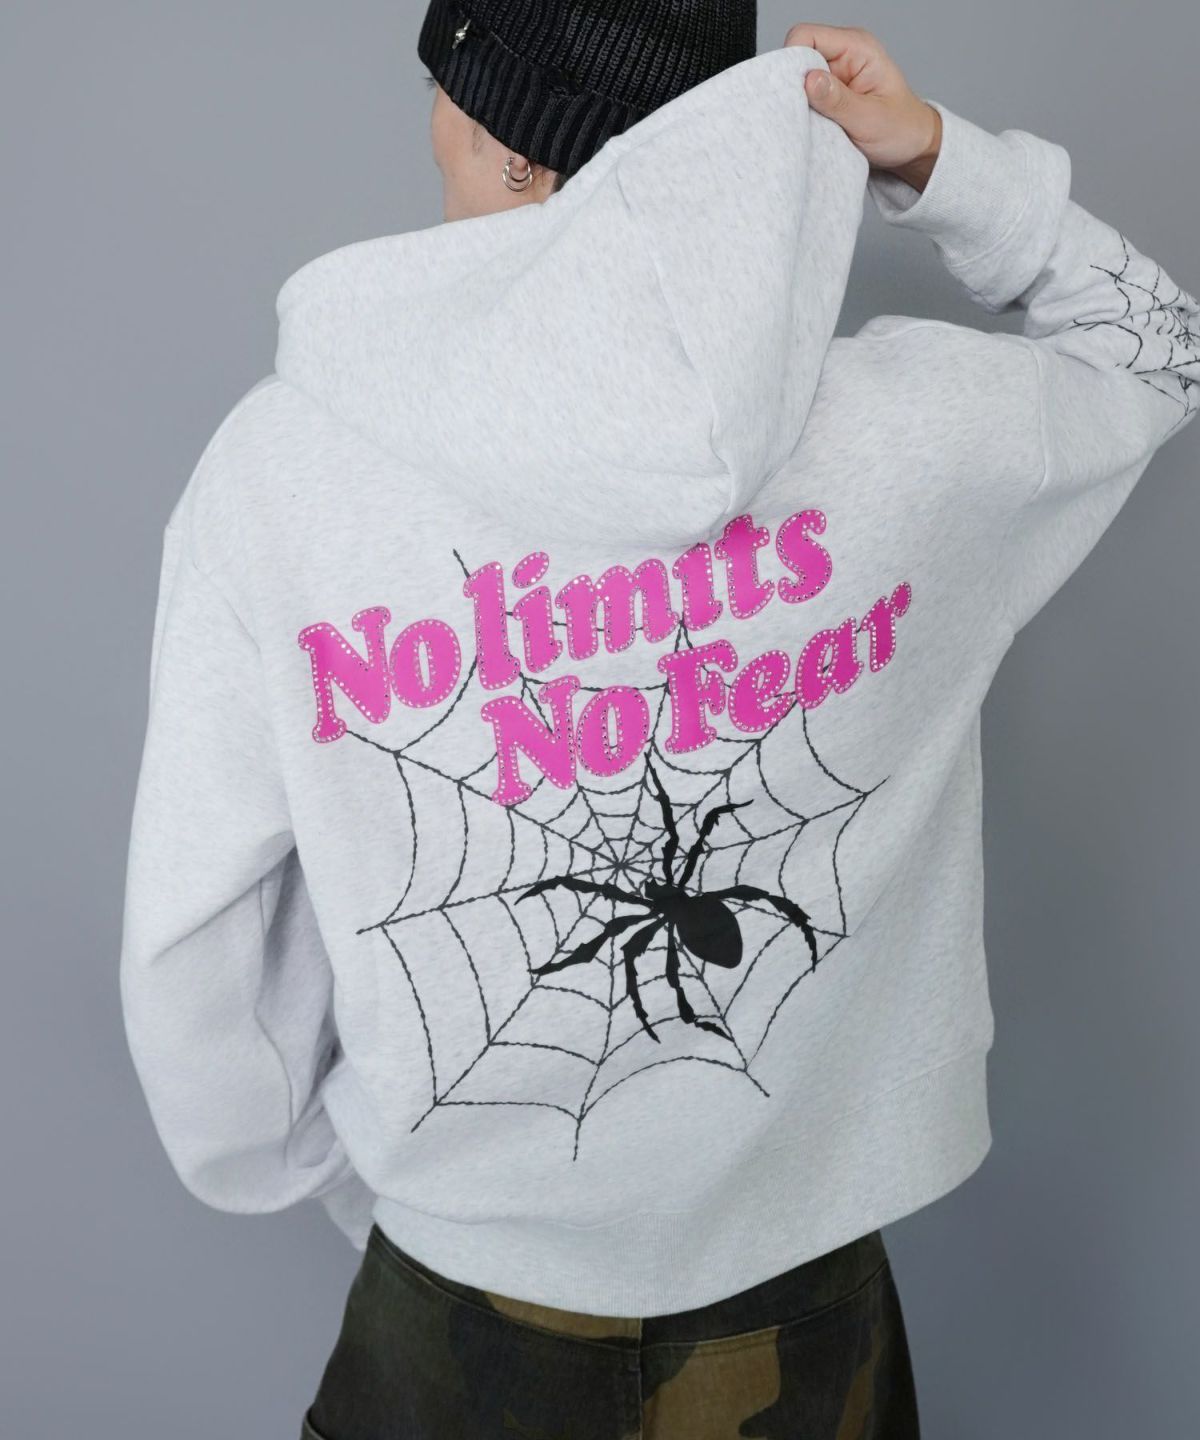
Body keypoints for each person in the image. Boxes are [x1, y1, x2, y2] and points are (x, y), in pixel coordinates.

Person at [117, 3, 1197, 1436]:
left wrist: (343, 1178)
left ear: (506, 143)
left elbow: (198, 943)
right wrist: (933, 157)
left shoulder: (277, 474)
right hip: (810, 1316)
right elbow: (1161, 350)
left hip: (459, 1314)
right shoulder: (905, 430)